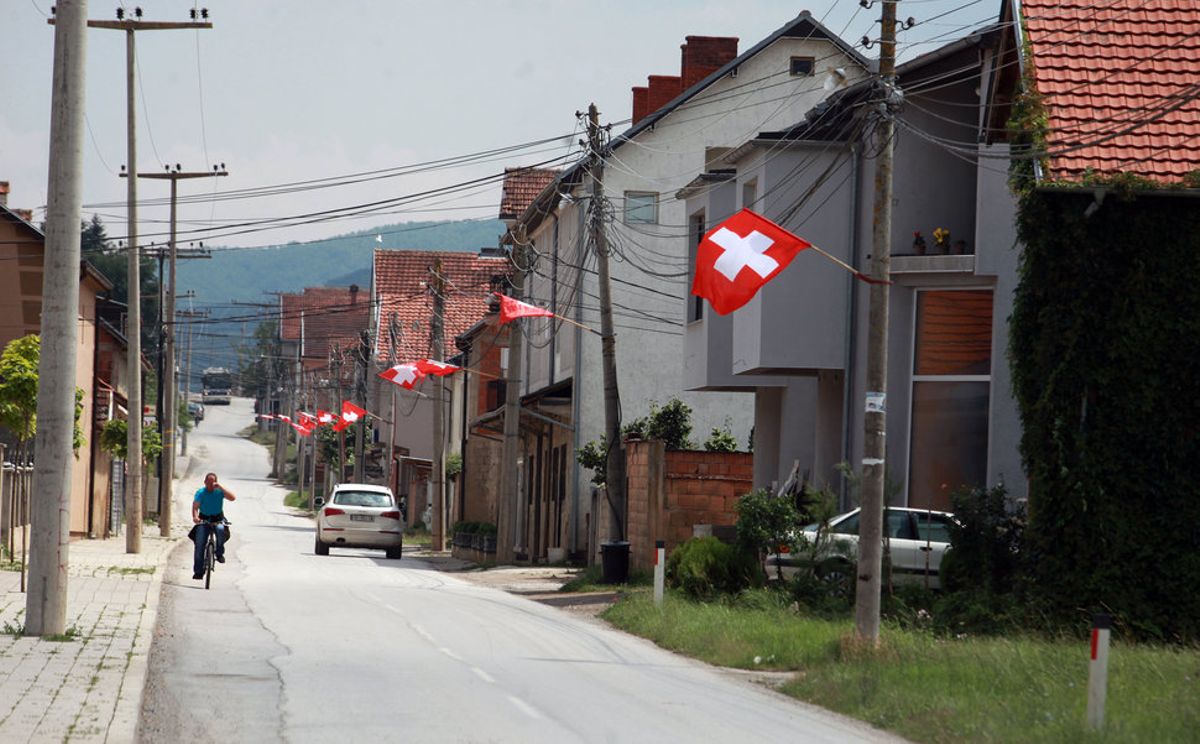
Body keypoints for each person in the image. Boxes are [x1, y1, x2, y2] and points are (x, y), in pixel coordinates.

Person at [192, 472, 236, 580]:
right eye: (209, 482)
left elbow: (232, 498)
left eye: (213, 482)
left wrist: (220, 487)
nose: (211, 484)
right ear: (205, 482)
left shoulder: (219, 491)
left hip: (218, 519)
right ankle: (198, 571)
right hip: (204, 519)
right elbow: (195, 507)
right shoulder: (201, 493)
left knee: (221, 530)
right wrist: (195, 517)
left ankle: (219, 553)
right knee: (200, 544)